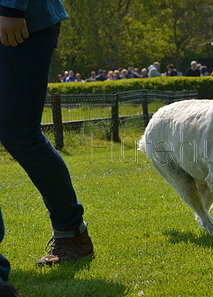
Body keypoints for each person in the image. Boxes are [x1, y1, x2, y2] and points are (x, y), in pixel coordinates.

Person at [0, 0, 94, 279]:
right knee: (20, 134)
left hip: (21, 20)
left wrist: (11, 7)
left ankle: (72, 232)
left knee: (20, 134)